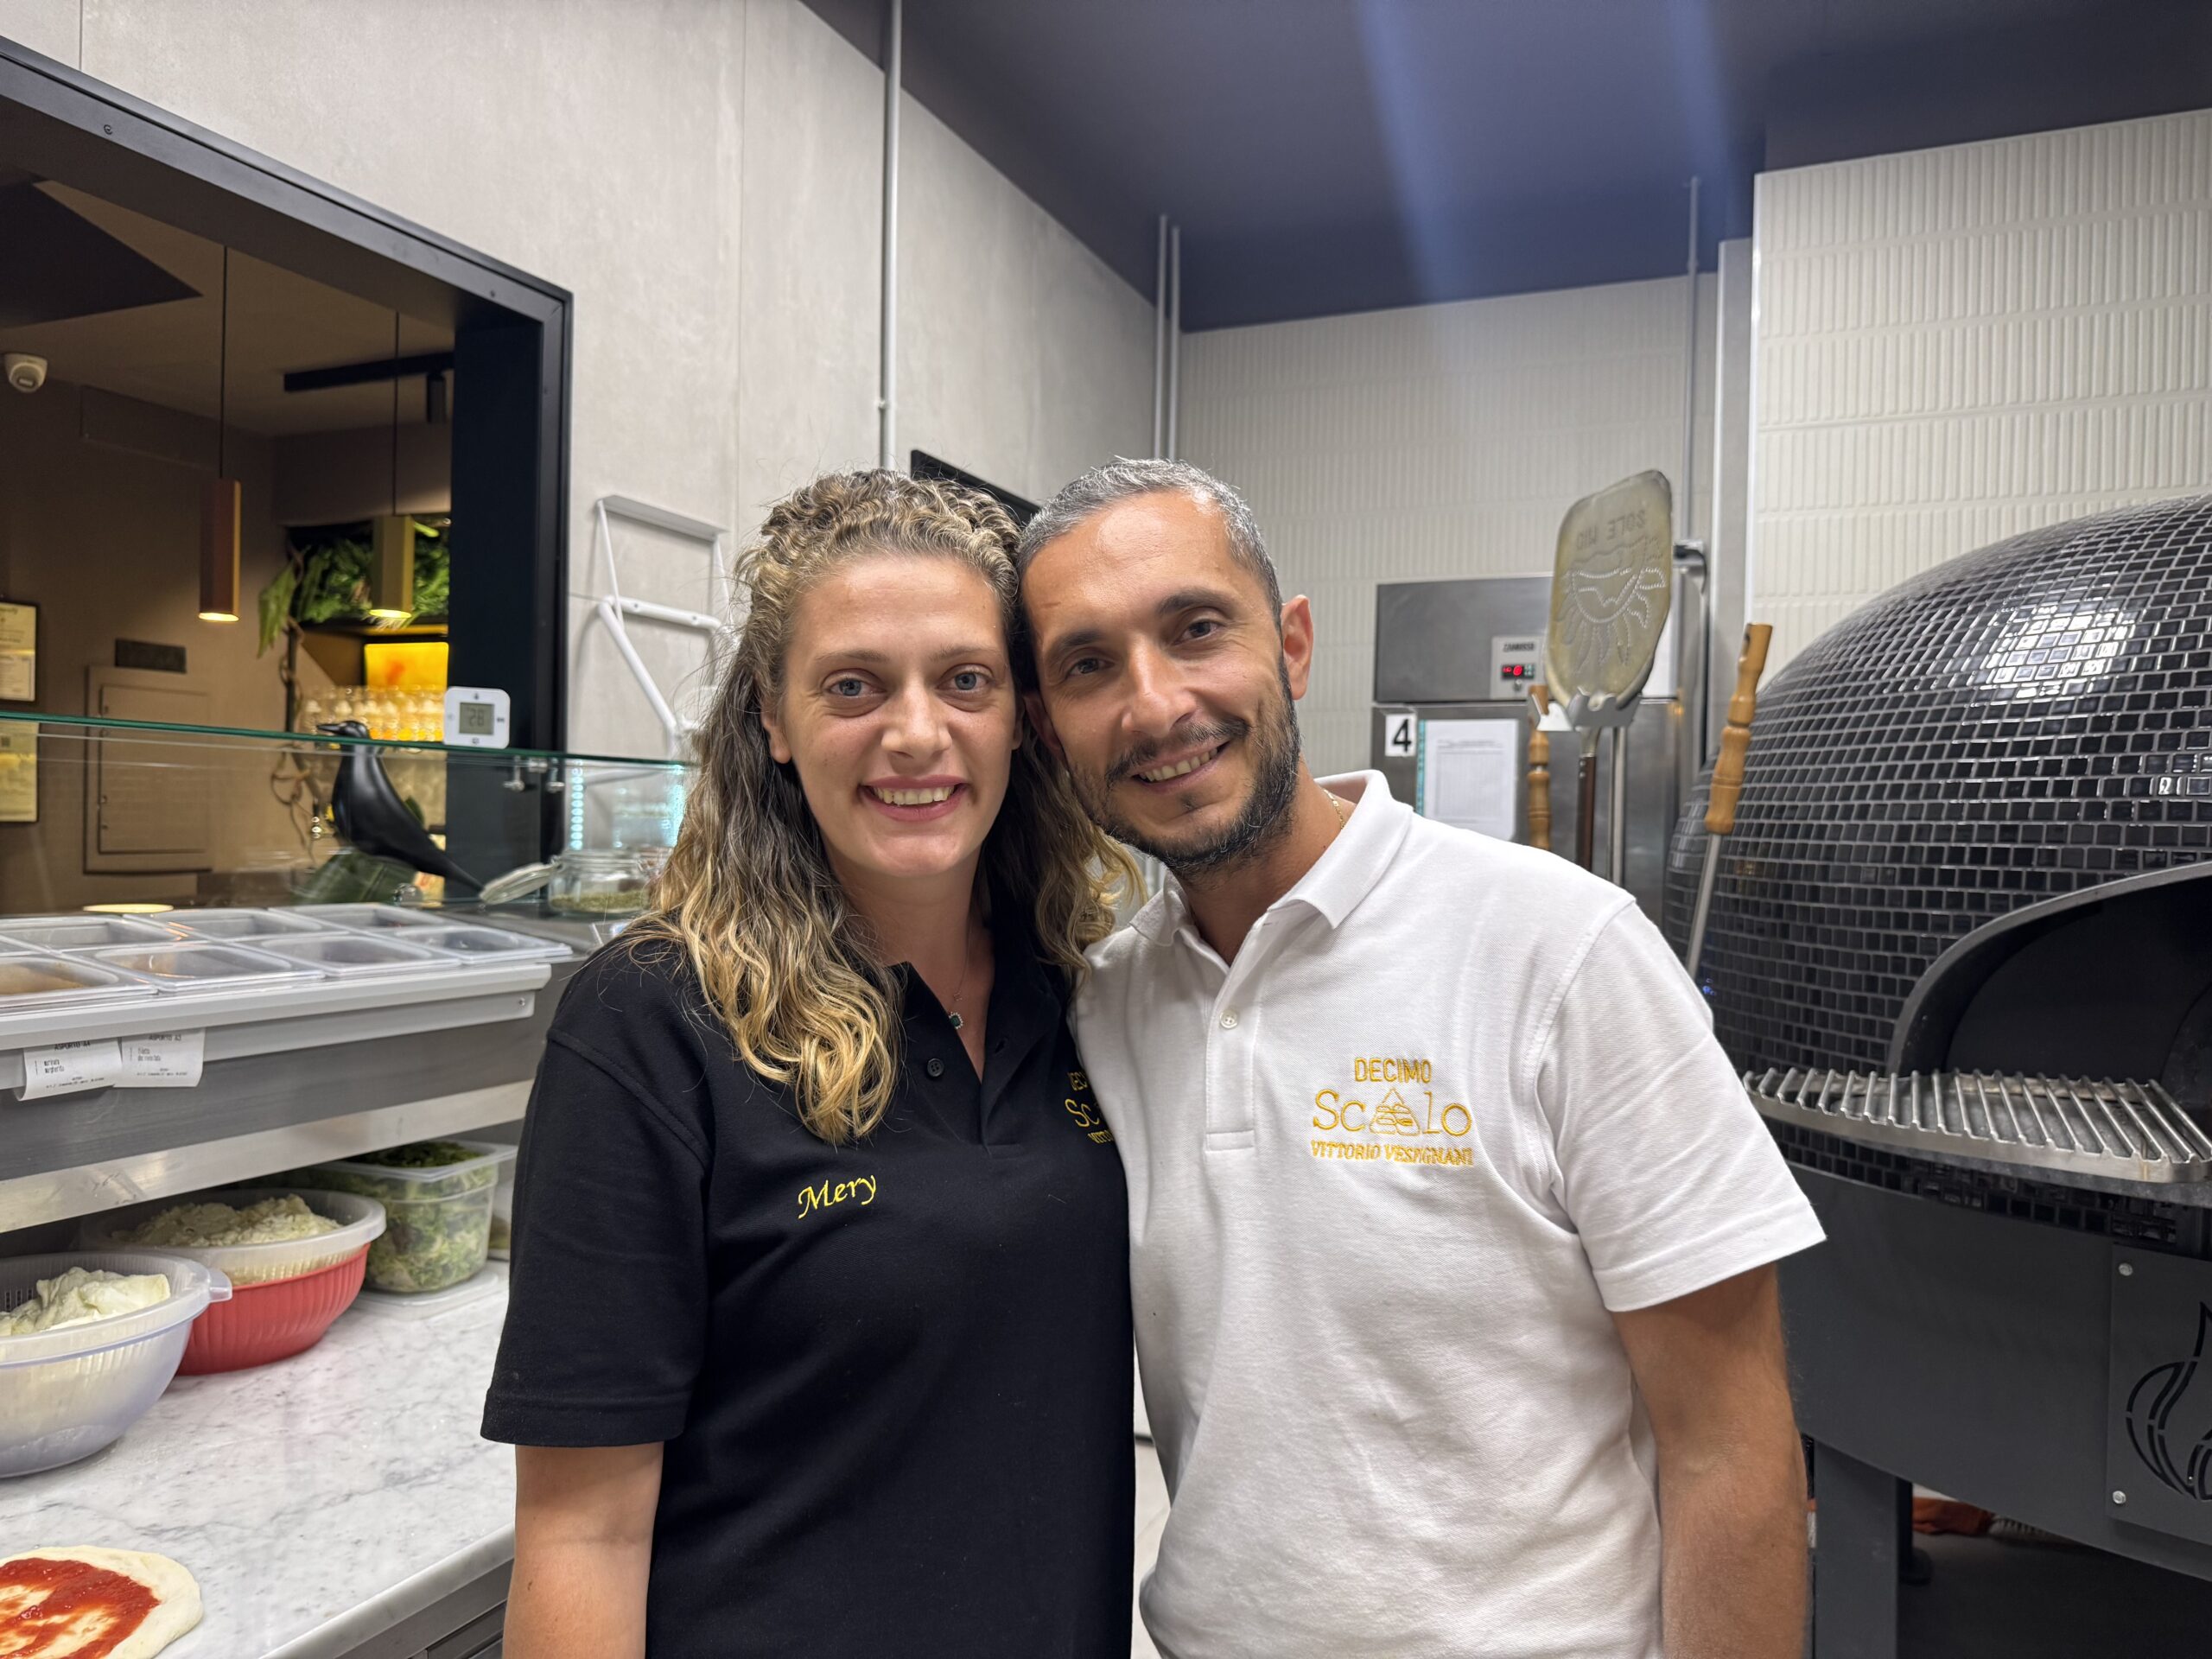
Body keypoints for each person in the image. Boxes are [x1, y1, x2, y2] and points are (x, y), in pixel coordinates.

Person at [1016, 457, 1825, 1659]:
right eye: (1088, 665)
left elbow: (1730, 1449)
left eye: (1197, 630)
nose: (1155, 703)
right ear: (1047, 726)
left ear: (1293, 646)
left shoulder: (1562, 951)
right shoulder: (1104, 1006)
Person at [485, 470, 1140, 1658]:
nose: (916, 732)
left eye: (966, 680)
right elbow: (584, 1534)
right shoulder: (652, 1024)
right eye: (853, 685)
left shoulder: (1080, 991)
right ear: (773, 722)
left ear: (1021, 717)